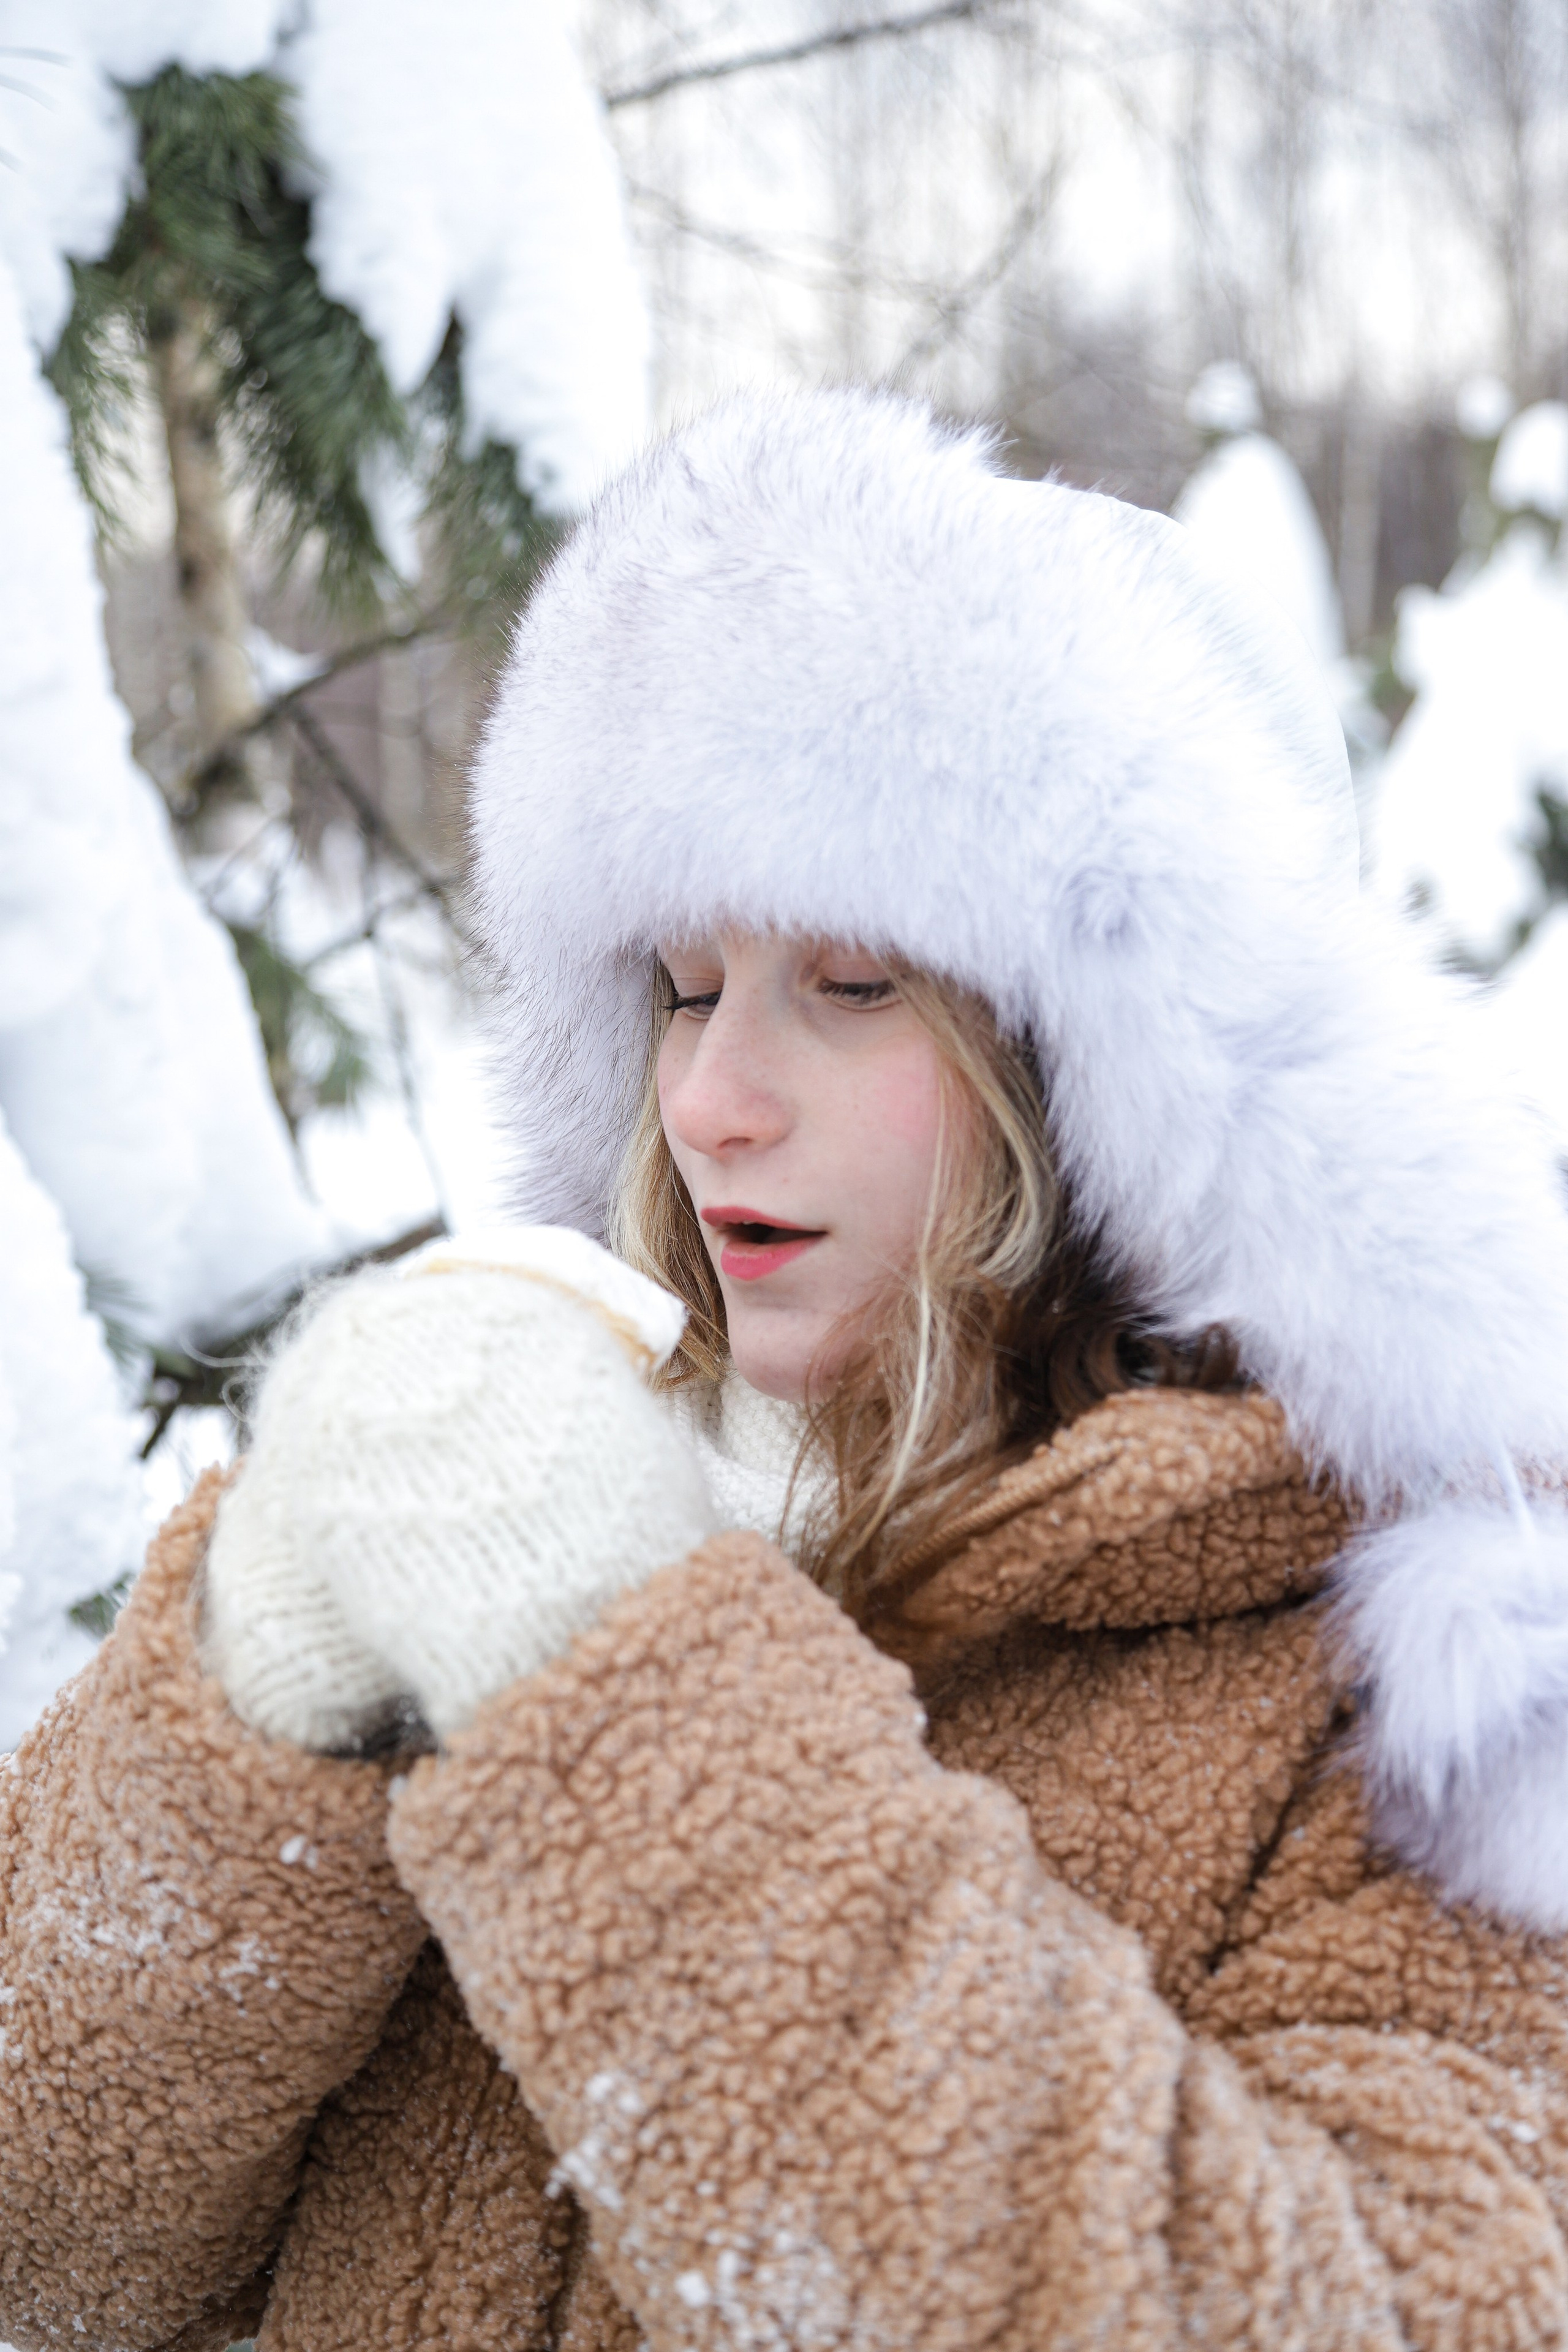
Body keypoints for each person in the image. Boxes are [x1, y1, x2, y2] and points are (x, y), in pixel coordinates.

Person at [7, 389, 1568, 2352]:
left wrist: (617, 1695)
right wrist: (254, 1702)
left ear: (1114, 1078)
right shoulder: (518, 1483)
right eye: (679, 986)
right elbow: (41, 2241)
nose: (716, 1098)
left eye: (852, 986)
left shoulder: (1437, 1714)